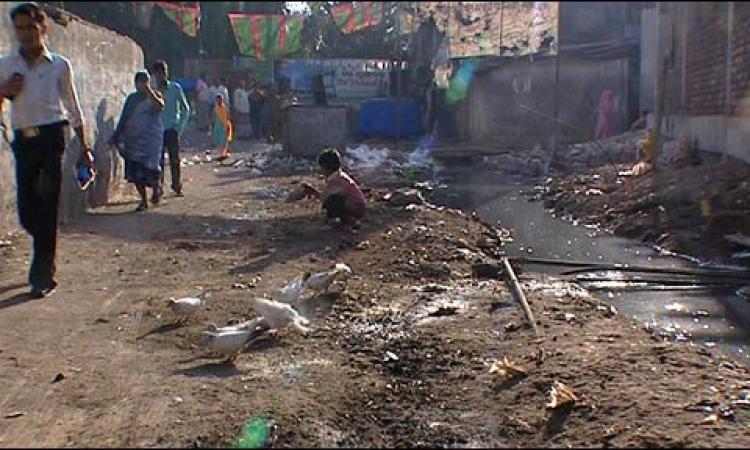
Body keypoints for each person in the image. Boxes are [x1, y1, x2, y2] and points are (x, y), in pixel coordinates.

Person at [0, 2, 93, 298]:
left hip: (53, 136)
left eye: (30, 27)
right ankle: (43, 249)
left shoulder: (59, 65)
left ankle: (42, 275)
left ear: (42, 27)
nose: (25, 34)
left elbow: (73, 106)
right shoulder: (6, 65)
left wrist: (85, 148)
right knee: (28, 211)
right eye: (20, 29)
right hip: (23, 139)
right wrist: (5, 91)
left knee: (48, 203)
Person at [109, 71, 165, 212]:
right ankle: (143, 200)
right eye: (139, 82)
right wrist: (116, 136)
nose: (141, 85)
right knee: (136, 172)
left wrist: (149, 92)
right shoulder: (132, 99)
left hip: (151, 142)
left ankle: (156, 189)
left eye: (144, 82)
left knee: (152, 170)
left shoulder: (154, 96)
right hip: (133, 142)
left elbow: (160, 106)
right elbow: (124, 117)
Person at [151, 60, 189, 200]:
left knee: (174, 160)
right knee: (157, 161)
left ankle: (176, 185)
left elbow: (186, 109)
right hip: (156, 131)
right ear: (154, 75)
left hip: (172, 129)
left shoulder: (175, 88)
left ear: (167, 73)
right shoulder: (152, 91)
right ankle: (158, 188)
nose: (161, 76)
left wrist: (179, 127)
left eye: (164, 73)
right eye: (159, 73)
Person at [302, 148, 366, 226]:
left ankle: (345, 220)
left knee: (333, 201)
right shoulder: (338, 175)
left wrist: (313, 191)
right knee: (334, 200)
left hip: (356, 207)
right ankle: (346, 219)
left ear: (326, 167)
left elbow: (325, 198)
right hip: (356, 205)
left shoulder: (337, 180)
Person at [213, 94, 233, 160]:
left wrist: (227, 125)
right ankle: (221, 154)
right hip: (218, 125)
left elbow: (228, 116)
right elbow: (214, 116)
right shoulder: (216, 108)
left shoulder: (224, 107)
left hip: (224, 124)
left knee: (224, 140)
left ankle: (223, 154)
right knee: (218, 140)